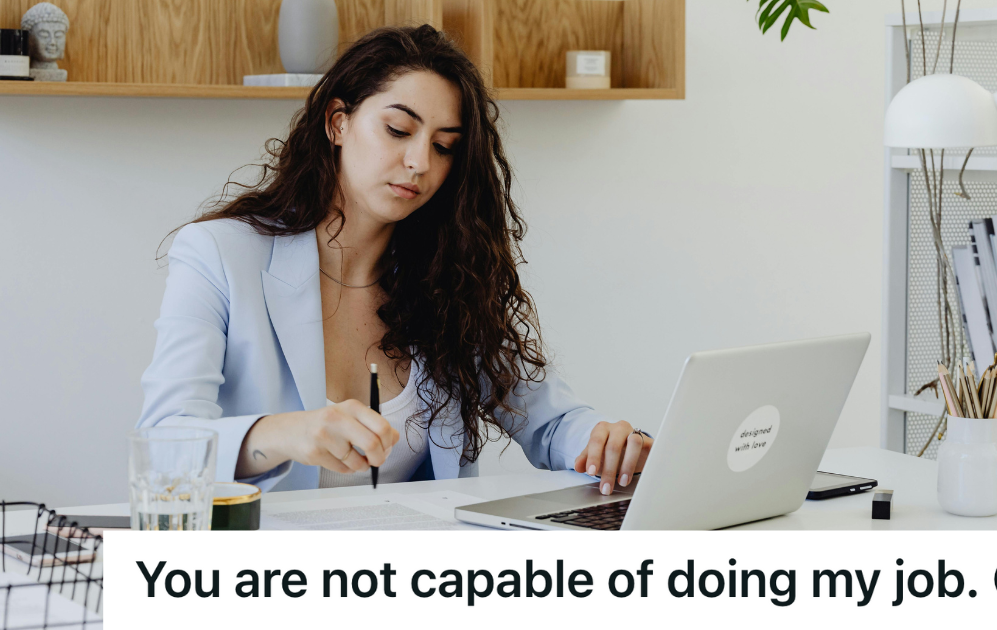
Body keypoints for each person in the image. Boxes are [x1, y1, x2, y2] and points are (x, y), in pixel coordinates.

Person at [137, 25, 651, 495]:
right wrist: (286, 433)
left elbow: (552, 423)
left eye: (444, 146)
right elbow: (163, 445)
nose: (420, 162)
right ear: (338, 123)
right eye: (399, 131)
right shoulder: (219, 253)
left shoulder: (448, 277)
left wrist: (610, 443)